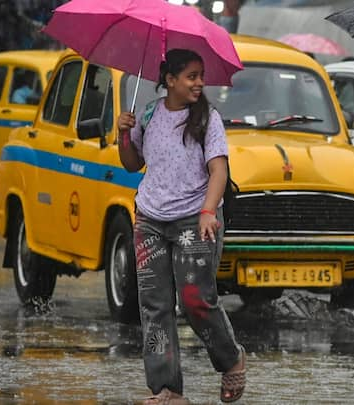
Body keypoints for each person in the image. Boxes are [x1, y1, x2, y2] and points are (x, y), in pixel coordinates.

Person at [116, 49, 246, 405]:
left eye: (200, 75)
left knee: (195, 301)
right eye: (191, 76)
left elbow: (219, 171)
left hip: (194, 219)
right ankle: (167, 390)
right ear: (169, 80)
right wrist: (123, 135)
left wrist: (208, 212)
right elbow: (131, 164)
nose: (199, 83)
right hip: (150, 219)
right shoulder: (148, 114)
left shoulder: (208, 119)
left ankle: (230, 358)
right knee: (154, 306)